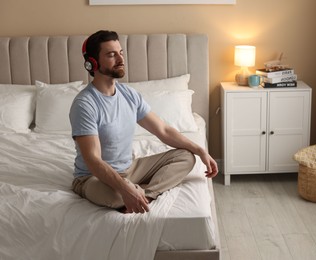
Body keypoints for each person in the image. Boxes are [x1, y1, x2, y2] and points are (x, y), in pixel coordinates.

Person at [69, 30, 218, 214]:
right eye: (111, 54)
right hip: (93, 178)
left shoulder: (129, 94)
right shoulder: (85, 104)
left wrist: (200, 150)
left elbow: (163, 130)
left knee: (186, 156)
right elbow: (93, 160)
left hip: (130, 169)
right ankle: (131, 193)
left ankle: (145, 195)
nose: (120, 59)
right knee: (116, 196)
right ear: (92, 62)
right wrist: (124, 188)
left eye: (121, 52)